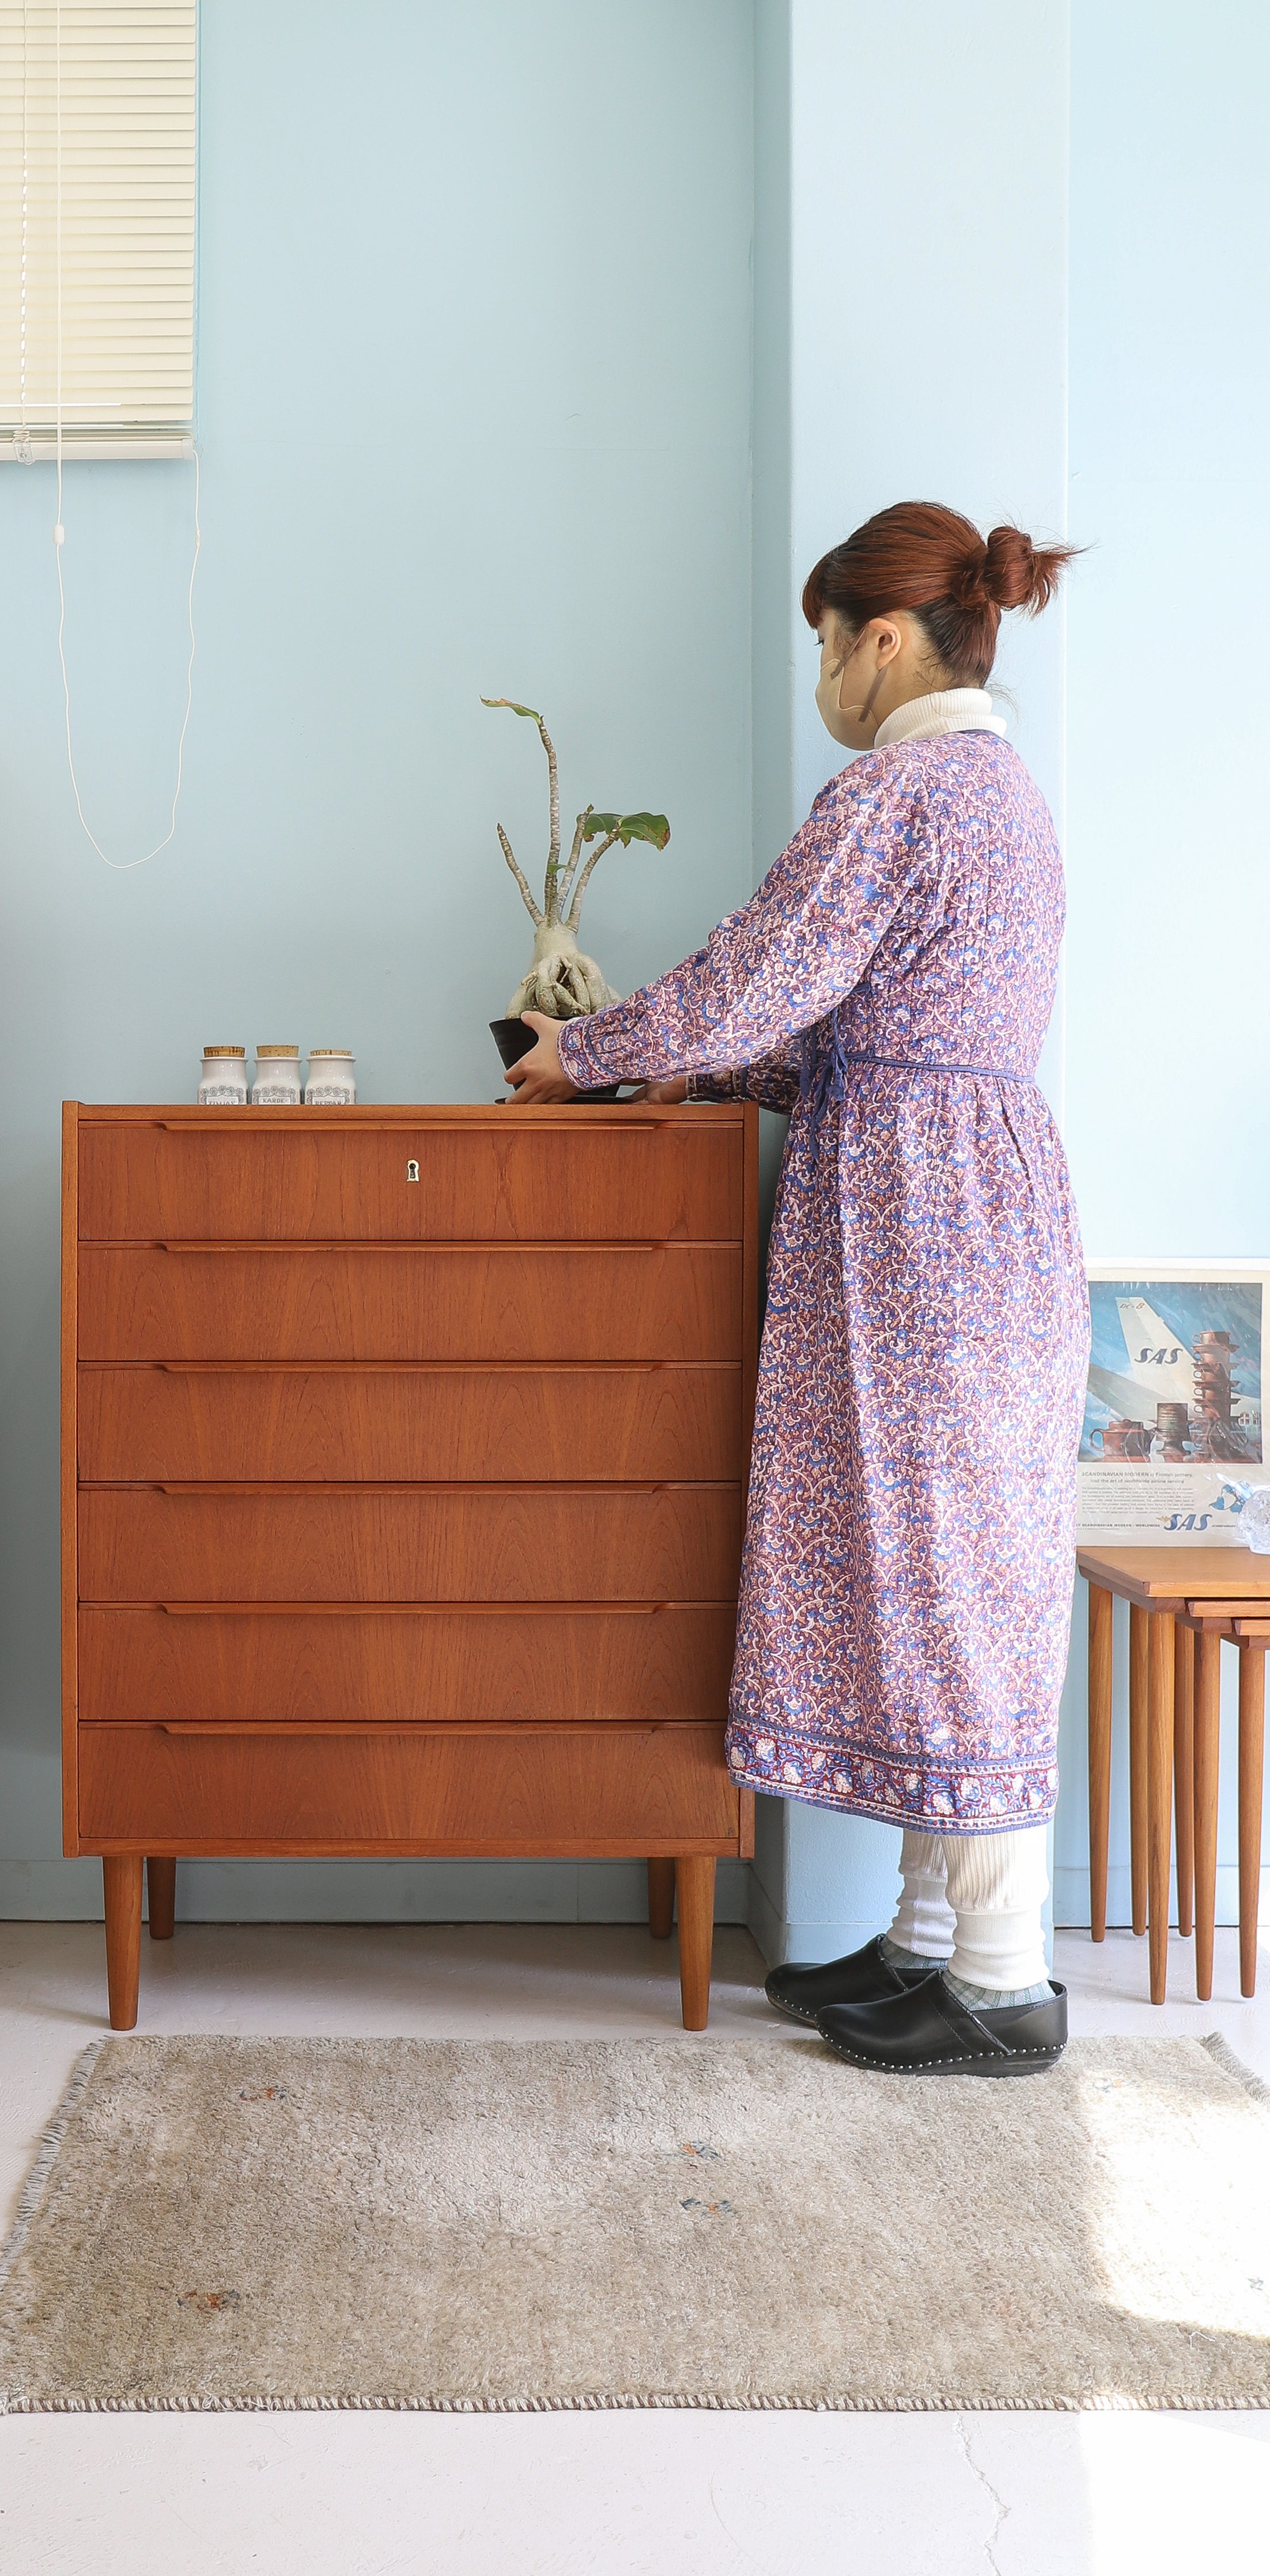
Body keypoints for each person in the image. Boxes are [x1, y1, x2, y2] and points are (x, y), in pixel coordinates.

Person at [507, 501, 1088, 2077]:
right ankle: (928, 1949)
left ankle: (1003, 1979)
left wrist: (595, 1047)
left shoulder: (898, 791)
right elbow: (835, 1020)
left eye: (828, 645)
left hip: (924, 1219)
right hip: (967, 1203)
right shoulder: (997, 793)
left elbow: (762, 968)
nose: (823, 678)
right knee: (938, 1560)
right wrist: (673, 1072)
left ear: (883, 639)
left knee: (947, 1574)